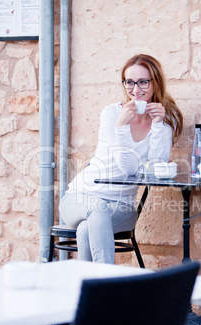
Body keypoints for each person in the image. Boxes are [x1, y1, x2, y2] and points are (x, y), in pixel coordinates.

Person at [59, 54, 183, 263]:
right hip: (79, 198)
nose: (136, 90)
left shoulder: (164, 120)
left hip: (121, 206)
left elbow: (155, 167)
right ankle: (108, 284)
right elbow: (127, 168)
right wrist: (121, 127)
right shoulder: (112, 114)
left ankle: (90, 290)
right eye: (129, 82)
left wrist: (159, 124)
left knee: (85, 230)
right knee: (95, 210)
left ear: (156, 82)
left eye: (143, 82)